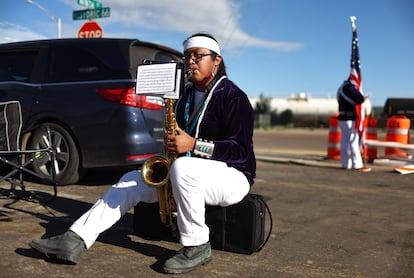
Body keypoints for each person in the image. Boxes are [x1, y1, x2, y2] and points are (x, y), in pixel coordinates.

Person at [29, 32, 256, 274]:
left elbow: (240, 151)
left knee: (183, 168)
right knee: (130, 180)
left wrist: (193, 145)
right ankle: (74, 239)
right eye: (187, 56)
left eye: (198, 56)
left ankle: (197, 245)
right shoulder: (184, 97)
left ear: (216, 60)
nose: (190, 62)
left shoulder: (234, 97)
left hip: (233, 177)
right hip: (192, 174)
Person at [336, 79, 371, 172]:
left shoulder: (340, 89)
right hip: (350, 118)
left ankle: (345, 163)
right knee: (353, 140)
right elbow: (359, 99)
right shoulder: (349, 87)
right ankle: (357, 164)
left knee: (344, 140)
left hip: (342, 117)